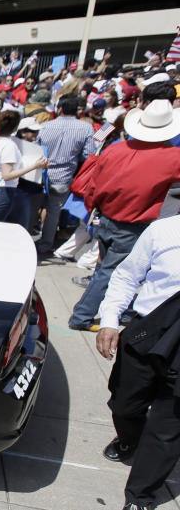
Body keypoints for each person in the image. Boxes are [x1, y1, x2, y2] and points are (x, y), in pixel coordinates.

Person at [68, 99, 180, 331]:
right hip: (131, 225)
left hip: (105, 217)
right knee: (113, 272)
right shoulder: (172, 157)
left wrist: (94, 210)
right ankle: (82, 316)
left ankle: (118, 310)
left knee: (105, 270)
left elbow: (93, 186)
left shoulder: (114, 149)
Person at [95, 214, 180, 510]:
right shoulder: (163, 231)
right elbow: (127, 275)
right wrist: (109, 320)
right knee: (124, 405)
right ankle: (130, 441)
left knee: (167, 428)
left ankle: (140, 497)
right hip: (147, 333)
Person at [35, 95, 96, 254]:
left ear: (60, 108)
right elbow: (89, 154)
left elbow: (35, 148)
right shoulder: (85, 128)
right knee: (53, 212)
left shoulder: (45, 126)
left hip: (40, 174)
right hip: (64, 175)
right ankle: (46, 243)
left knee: (35, 208)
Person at [0, 111, 49, 225]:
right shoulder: (8, 145)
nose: (36, 134)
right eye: (33, 131)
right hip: (4, 190)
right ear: (18, 129)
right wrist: (34, 166)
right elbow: (7, 175)